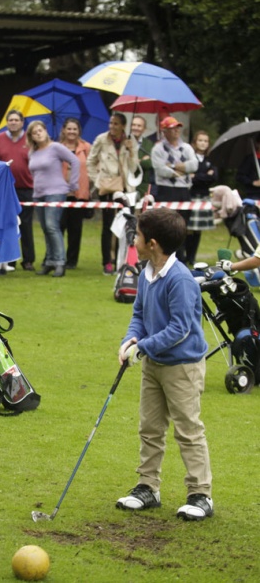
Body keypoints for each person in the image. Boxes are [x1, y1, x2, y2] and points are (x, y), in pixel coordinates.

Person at [117, 208, 213, 522]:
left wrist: (142, 347)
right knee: (150, 427)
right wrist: (131, 341)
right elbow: (139, 315)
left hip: (182, 366)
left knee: (188, 430)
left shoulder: (180, 279)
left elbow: (180, 328)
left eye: (139, 235)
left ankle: (200, 494)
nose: (135, 239)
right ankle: (148, 487)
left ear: (153, 243)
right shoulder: (146, 271)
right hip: (154, 363)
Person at [26, 120, 80, 278]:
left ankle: (60, 262)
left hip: (56, 191)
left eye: (40, 130)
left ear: (46, 131)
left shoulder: (55, 147)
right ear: (32, 137)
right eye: (34, 132)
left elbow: (74, 160)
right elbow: (34, 173)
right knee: (45, 228)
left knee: (52, 226)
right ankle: (49, 261)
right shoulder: (33, 152)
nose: (38, 133)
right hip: (38, 194)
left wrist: (73, 182)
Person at [87, 113, 138, 275]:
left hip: (124, 188)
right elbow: (91, 161)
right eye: (111, 123)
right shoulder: (102, 139)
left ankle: (121, 260)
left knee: (125, 226)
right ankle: (106, 262)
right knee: (108, 226)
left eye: (116, 124)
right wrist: (97, 181)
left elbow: (134, 167)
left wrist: (131, 151)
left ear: (123, 126)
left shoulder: (130, 141)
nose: (112, 126)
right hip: (107, 188)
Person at [151, 116, 198, 264]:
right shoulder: (158, 148)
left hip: (183, 190)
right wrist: (181, 169)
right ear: (164, 131)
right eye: (172, 128)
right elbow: (160, 171)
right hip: (166, 190)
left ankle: (181, 257)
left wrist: (172, 166)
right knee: (166, 226)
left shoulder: (187, 148)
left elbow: (194, 166)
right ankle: (166, 257)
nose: (176, 131)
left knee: (182, 225)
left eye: (178, 127)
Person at [0, 109, 35, 271]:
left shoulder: (30, 140)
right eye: (10, 120)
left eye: (16, 120)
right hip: (5, 189)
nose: (13, 122)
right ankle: (9, 260)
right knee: (8, 225)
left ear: (22, 122)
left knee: (26, 225)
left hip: (26, 188)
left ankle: (28, 260)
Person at [59, 117, 91, 269]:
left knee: (75, 229)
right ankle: (57, 257)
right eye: (69, 128)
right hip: (60, 193)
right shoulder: (57, 147)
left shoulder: (86, 147)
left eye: (74, 129)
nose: (71, 132)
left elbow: (91, 167)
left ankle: (72, 261)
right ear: (64, 130)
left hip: (79, 193)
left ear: (79, 131)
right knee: (58, 227)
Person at [186, 131, 217, 265]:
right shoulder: (190, 158)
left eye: (205, 141)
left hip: (203, 197)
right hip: (190, 196)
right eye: (200, 140)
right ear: (195, 142)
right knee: (188, 229)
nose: (203, 143)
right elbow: (189, 178)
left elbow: (214, 177)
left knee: (198, 230)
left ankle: (192, 257)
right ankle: (185, 256)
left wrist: (198, 176)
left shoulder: (211, 160)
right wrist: (205, 176)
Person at [130, 115, 155, 196]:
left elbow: (150, 163)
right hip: (127, 184)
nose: (135, 128)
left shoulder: (149, 143)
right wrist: (141, 160)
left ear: (144, 129)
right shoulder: (125, 142)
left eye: (139, 126)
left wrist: (136, 161)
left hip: (143, 185)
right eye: (133, 125)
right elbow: (126, 164)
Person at [235, 133, 260, 200]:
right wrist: (252, 182)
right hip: (254, 195)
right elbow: (239, 176)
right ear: (257, 144)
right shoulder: (250, 159)